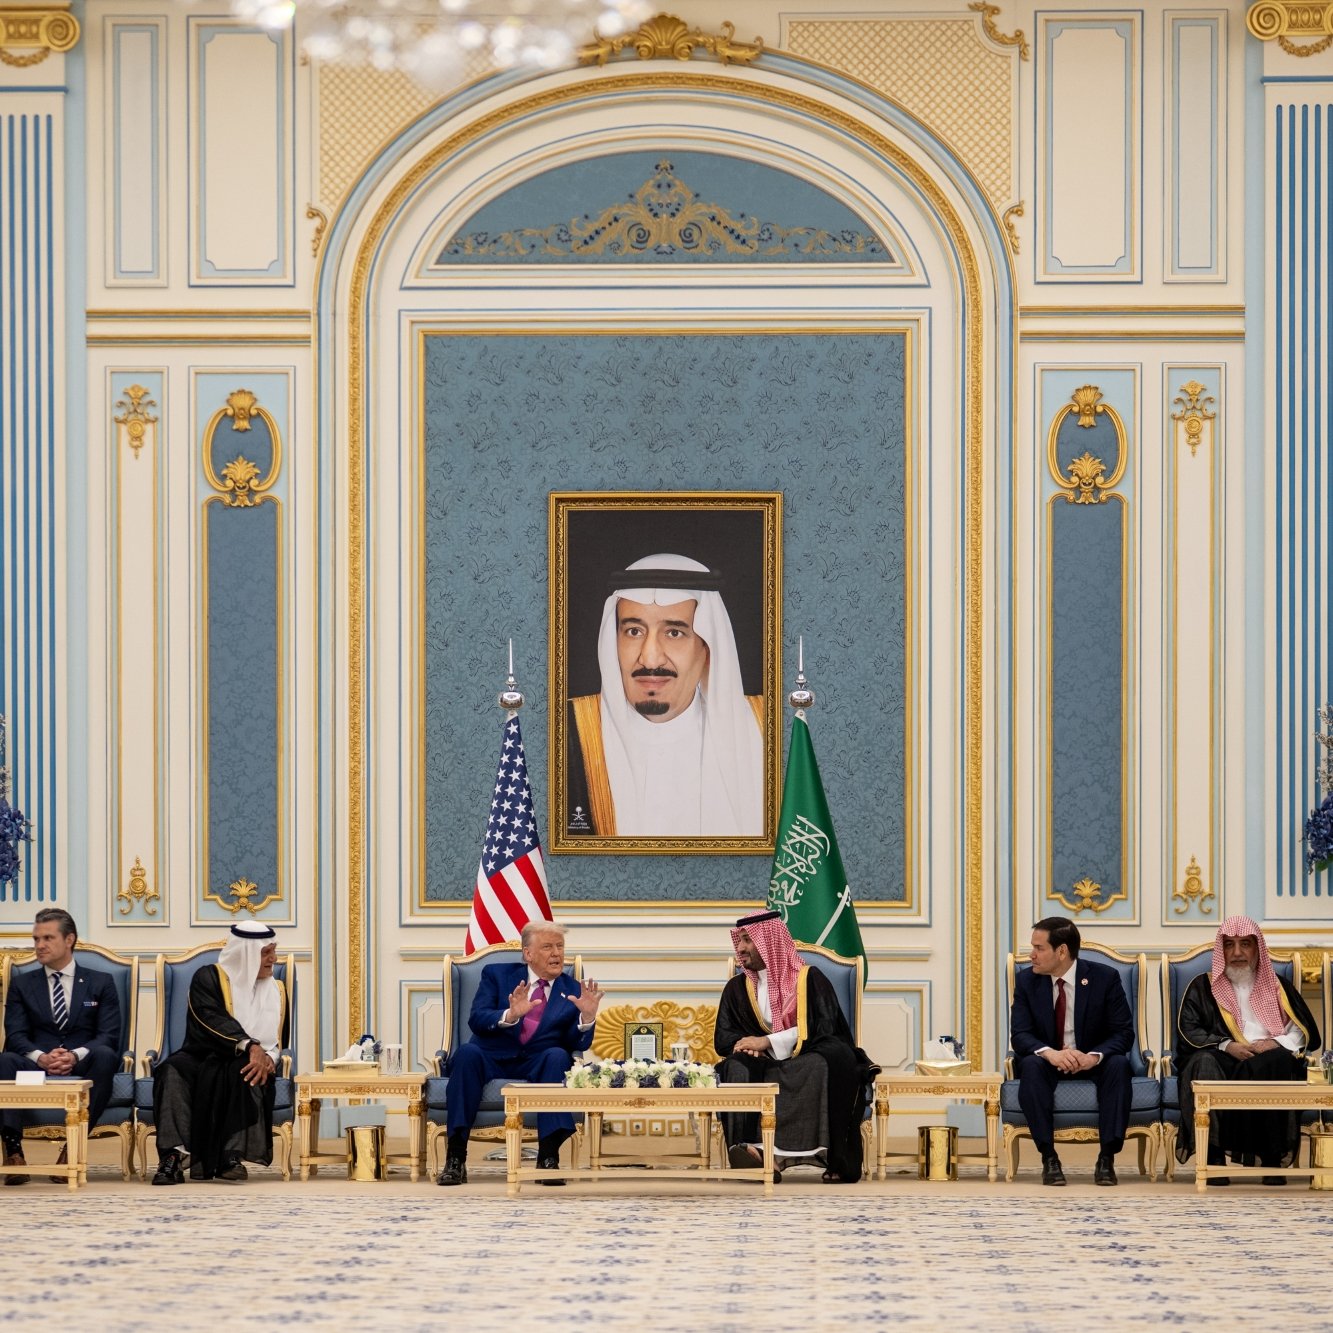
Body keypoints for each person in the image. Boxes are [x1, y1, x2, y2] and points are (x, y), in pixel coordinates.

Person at [566, 552, 764, 837]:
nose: (650, 658)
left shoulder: (767, 734)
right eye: (634, 631)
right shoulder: (565, 735)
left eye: (674, 633)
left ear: (707, 648)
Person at [437, 920, 604, 1186]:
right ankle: (456, 1159)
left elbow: (577, 1044)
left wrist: (586, 1016)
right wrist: (510, 1014)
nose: (557, 954)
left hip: (537, 1061)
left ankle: (548, 1159)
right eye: (548, 947)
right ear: (528, 953)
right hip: (490, 1056)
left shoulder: (572, 989)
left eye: (560, 947)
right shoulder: (496, 975)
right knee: (467, 1053)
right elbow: (477, 1019)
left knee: (558, 1056)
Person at [714, 910, 876, 1183]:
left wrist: (768, 1041)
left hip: (806, 1056)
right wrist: (748, 1046)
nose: (740, 948)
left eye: (747, 940)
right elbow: (724, 1037)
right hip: (761, 1062)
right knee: (735, 1066)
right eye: (738, 941)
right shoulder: (737, 988)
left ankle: (817, 1155)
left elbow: (826, 1028)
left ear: (769, 942)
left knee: (825, 1061)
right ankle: (754, 1153)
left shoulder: (809, 979)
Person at [1173, 914, 1319, 1185]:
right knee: (1203, 1062)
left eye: (1245, 944)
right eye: (1229, 945)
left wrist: (1275, 1043)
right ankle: (1213, 1156)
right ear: (1221, 950)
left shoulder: (1277, 987)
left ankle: (1271, 1157)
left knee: (1278, 1062)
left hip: (1268, 1058)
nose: (1237, 953)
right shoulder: (1203, 987)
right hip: (1224, 1058)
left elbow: (1302, 1031)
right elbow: (1189, 1030)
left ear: (1257, 948)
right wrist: (1228, 1045)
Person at [150, 921, 288, 1185]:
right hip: (201, 1053)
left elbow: (279, 1040)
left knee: (244, 1071)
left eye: (273, 950)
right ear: (246, 955)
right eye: (266, 952)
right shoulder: (208, 977)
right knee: (171, 1070)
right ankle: (172, 1157)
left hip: (245, 1061)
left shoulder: (277, 991)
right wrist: (251, 1045)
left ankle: (229, 1155)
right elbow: (209, 1018)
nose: (274, 958)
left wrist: (270, 1058)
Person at [1, 909, 122, 1186]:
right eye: (36, 939)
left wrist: (73, 1055)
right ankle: (14, 1152)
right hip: (36, 1062)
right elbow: (16, 1034)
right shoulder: (22, 984)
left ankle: (71, 1150)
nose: (39, 945)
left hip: (82, 1058)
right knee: (5, 1060)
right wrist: (41, 1057)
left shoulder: (101, 982)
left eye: (47, 938)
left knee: (106, 1056)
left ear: (69, 939)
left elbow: (108, 1034)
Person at [1010, 915, 1133, 1186]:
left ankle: (1106, 1158)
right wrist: (1050, 1053)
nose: (1031, 955)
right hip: (1049, 1060)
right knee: (1029, 1066)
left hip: (1091, 1058)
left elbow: (1123, 1033)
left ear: (1062, 951)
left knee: (1118, 1065)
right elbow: (1019, 1035)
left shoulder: (1104, 978)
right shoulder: (1027, 981)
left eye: (1039, 948)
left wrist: (1092, 1057)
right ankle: (1049, 1158)